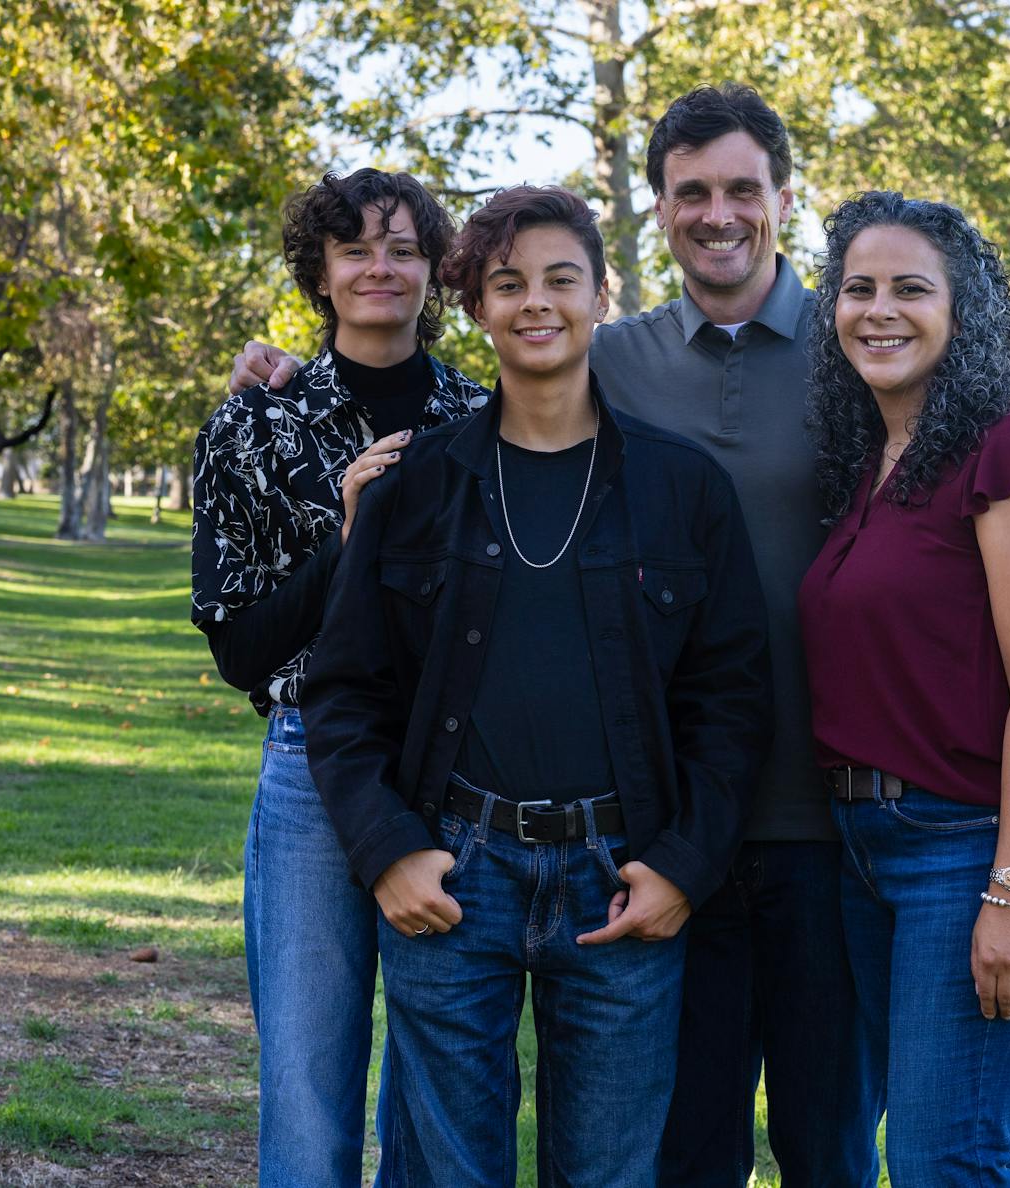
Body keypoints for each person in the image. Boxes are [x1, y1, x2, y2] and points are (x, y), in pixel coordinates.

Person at [230, 83, 1010, 1187]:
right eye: (692, 192)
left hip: (821, 833)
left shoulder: (851, 368)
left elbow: (979, 558)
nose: (719, 211)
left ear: (783, 199)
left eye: (744, 188)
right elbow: (365, 647)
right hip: (633, 835)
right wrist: (290, 373)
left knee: (853, 1141)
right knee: (672, 1150)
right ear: (656, 217)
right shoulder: (570, 388)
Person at [300, 185, 772, 1188]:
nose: (536, 304)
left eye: (562, 279)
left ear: (603, 294)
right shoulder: (414, 486)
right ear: (476, 306)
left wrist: (684, 864)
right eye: (508, 284)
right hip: (454, 874)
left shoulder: (682, 488)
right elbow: (342, 694)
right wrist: (388, 852)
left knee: (607, 1175)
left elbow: (733, 701)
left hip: (622, 878)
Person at [797, 191, 1010, 1185]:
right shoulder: (866, 467)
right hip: (862, 854)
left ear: (961, 314)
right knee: (908, 1144)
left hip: (974, 846)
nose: (879, 310)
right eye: (857, 289)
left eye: (910, 290)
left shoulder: (1004, 452)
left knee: (945, 1157)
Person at [190, 167, 488, 1187]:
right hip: (311, 770)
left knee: (440, 1091)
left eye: (404, 249)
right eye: (357, 248)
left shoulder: (485, 419)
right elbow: (239, 650)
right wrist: (353, 540)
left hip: (456, 777)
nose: (381, 268)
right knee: (312, 1094)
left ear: (433, 272)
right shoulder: (252, 425)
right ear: (319, 271)